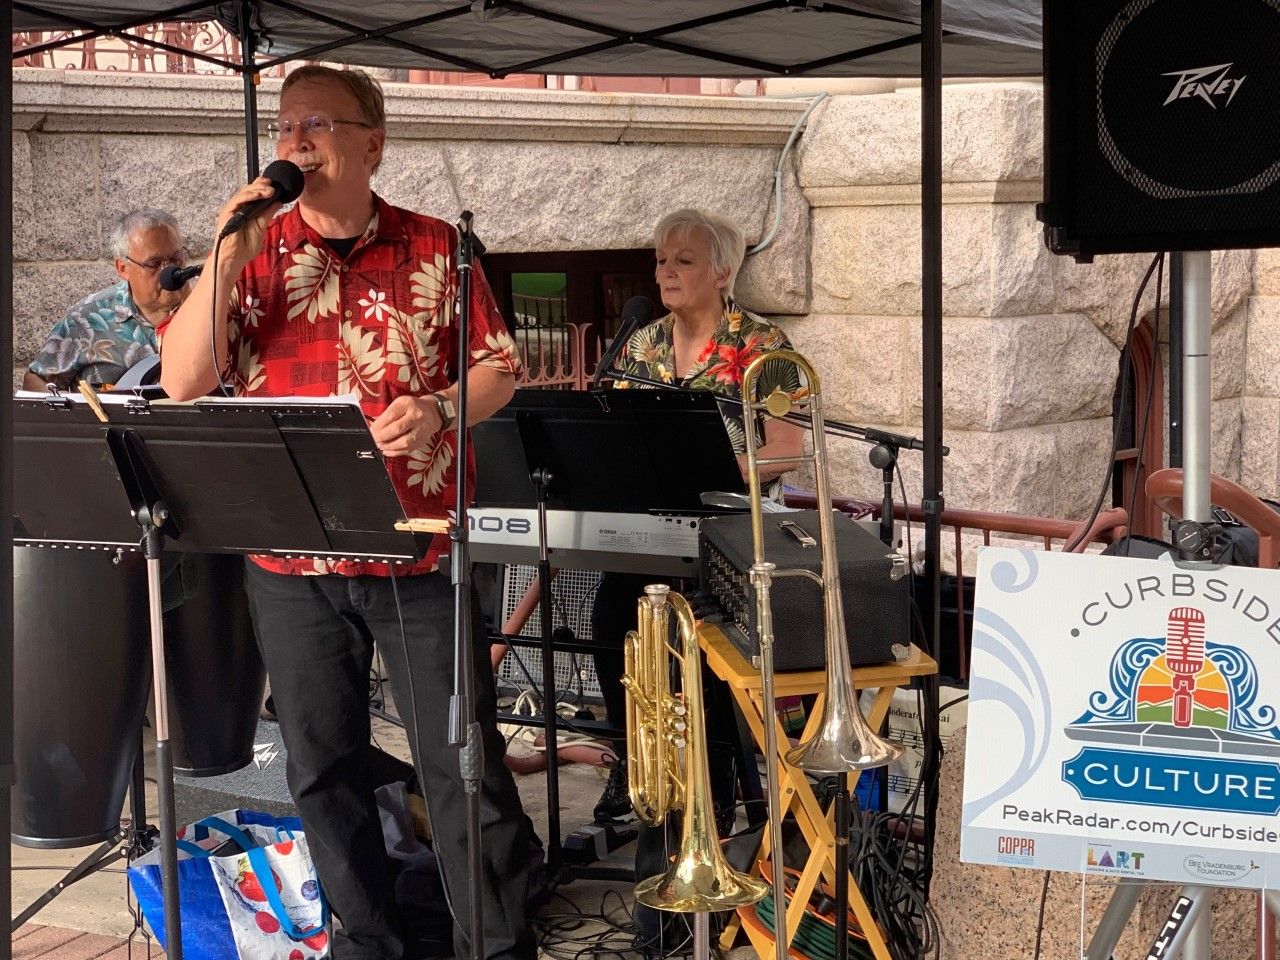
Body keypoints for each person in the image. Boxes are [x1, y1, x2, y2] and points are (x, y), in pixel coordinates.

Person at [160, 65, 536, 960]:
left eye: (318, 123)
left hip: (416, 551)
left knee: (460, 762)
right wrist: (226, 254)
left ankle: (493, 942)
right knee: (321, 769)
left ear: (374, 141)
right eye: (286, 124)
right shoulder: (252, 253)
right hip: (291, 559)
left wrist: (440, 407)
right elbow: (180, 382)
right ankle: (367, 942)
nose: (296, 139)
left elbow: (498, 367)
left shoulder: (438, 246)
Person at [590, 210, 804, 945]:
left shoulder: (763, 347)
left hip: (724, 542)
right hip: (650, 538)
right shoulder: (642, 344)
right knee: (614, 637)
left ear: (722, 272)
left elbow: (789, 449)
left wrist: (724, 467)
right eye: (660, 260)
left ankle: (707, 868)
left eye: (683, 260)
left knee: (702, 706)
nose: (666, 272)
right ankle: (647, 798)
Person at [24, 209, 189, 391]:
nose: (170, 272)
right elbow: (35, 381)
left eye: (176, 259)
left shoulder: (207, 310)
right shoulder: (85, 318)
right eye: (154, 263)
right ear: (123, 268)